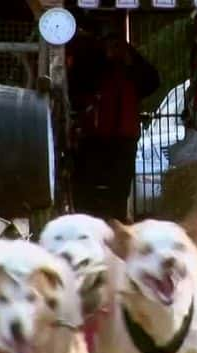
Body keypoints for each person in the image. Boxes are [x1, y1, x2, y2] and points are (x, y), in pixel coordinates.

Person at [68, 29, 160, 222]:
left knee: (120, 182)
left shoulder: (134, 64)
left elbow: (151, 82)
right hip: (94, 133)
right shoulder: (91, 62)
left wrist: (129, 60)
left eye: (117, 45)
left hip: (124, 134)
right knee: (88, 181)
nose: (113, 49)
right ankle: (89, 219)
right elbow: (76, 85)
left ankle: (117, 219)